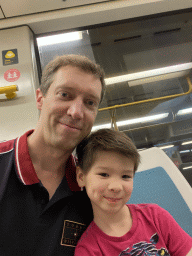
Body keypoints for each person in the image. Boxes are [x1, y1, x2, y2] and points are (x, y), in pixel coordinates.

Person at [0, 54, 105, 256]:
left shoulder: (92, 189)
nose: (76, 112)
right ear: (40, 98)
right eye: (65, 95)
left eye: (90, 102)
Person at [75, 128, 192, 256]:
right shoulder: (88, 250)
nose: (116, 187)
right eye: (104, 174)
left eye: (125, 176)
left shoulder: (155, 217)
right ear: (81, 177)